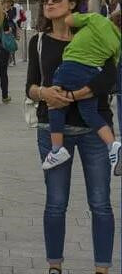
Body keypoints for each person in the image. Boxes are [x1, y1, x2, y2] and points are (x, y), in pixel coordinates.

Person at [26, 0, 116, 274]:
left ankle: (102, 268)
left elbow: (110, 77)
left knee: (100, 203)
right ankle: (55, 266)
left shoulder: (93, 32)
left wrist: (76, 95)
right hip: (52, 130)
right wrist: (44, 93)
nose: (49, 3)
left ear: (73, 3)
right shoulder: (39, 41)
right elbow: (30, 86)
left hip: (93, 130)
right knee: (56, 203)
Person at [40, 9, 122, 173]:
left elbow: (69, 21)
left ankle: (57, 149)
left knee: (55, 103)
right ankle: (112, 145)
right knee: (90, 113)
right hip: (92, 73)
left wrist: (79, 18)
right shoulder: (119, 42)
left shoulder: (97, 19)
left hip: (71, 65)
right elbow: (112, 67)